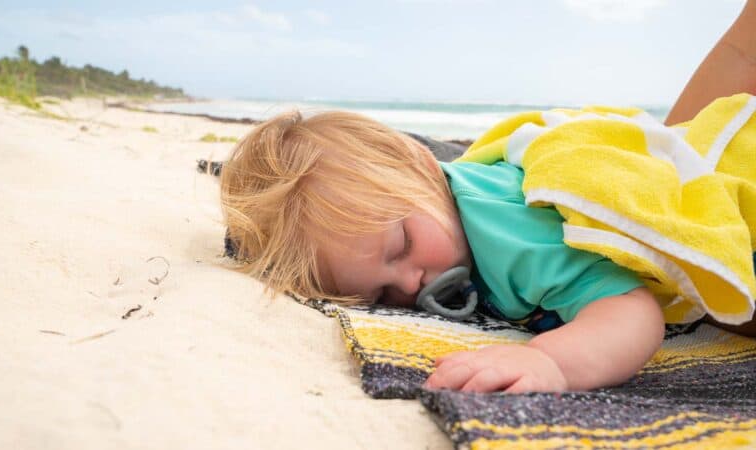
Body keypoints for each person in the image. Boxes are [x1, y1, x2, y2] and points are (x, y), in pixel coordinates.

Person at [219, 2, 756, 394]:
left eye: (402, 243)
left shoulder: (510, 235)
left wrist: (554, 364)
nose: (411, 283)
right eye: (382, 294)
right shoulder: (442, 202)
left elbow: (631, 311)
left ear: (423, 163)